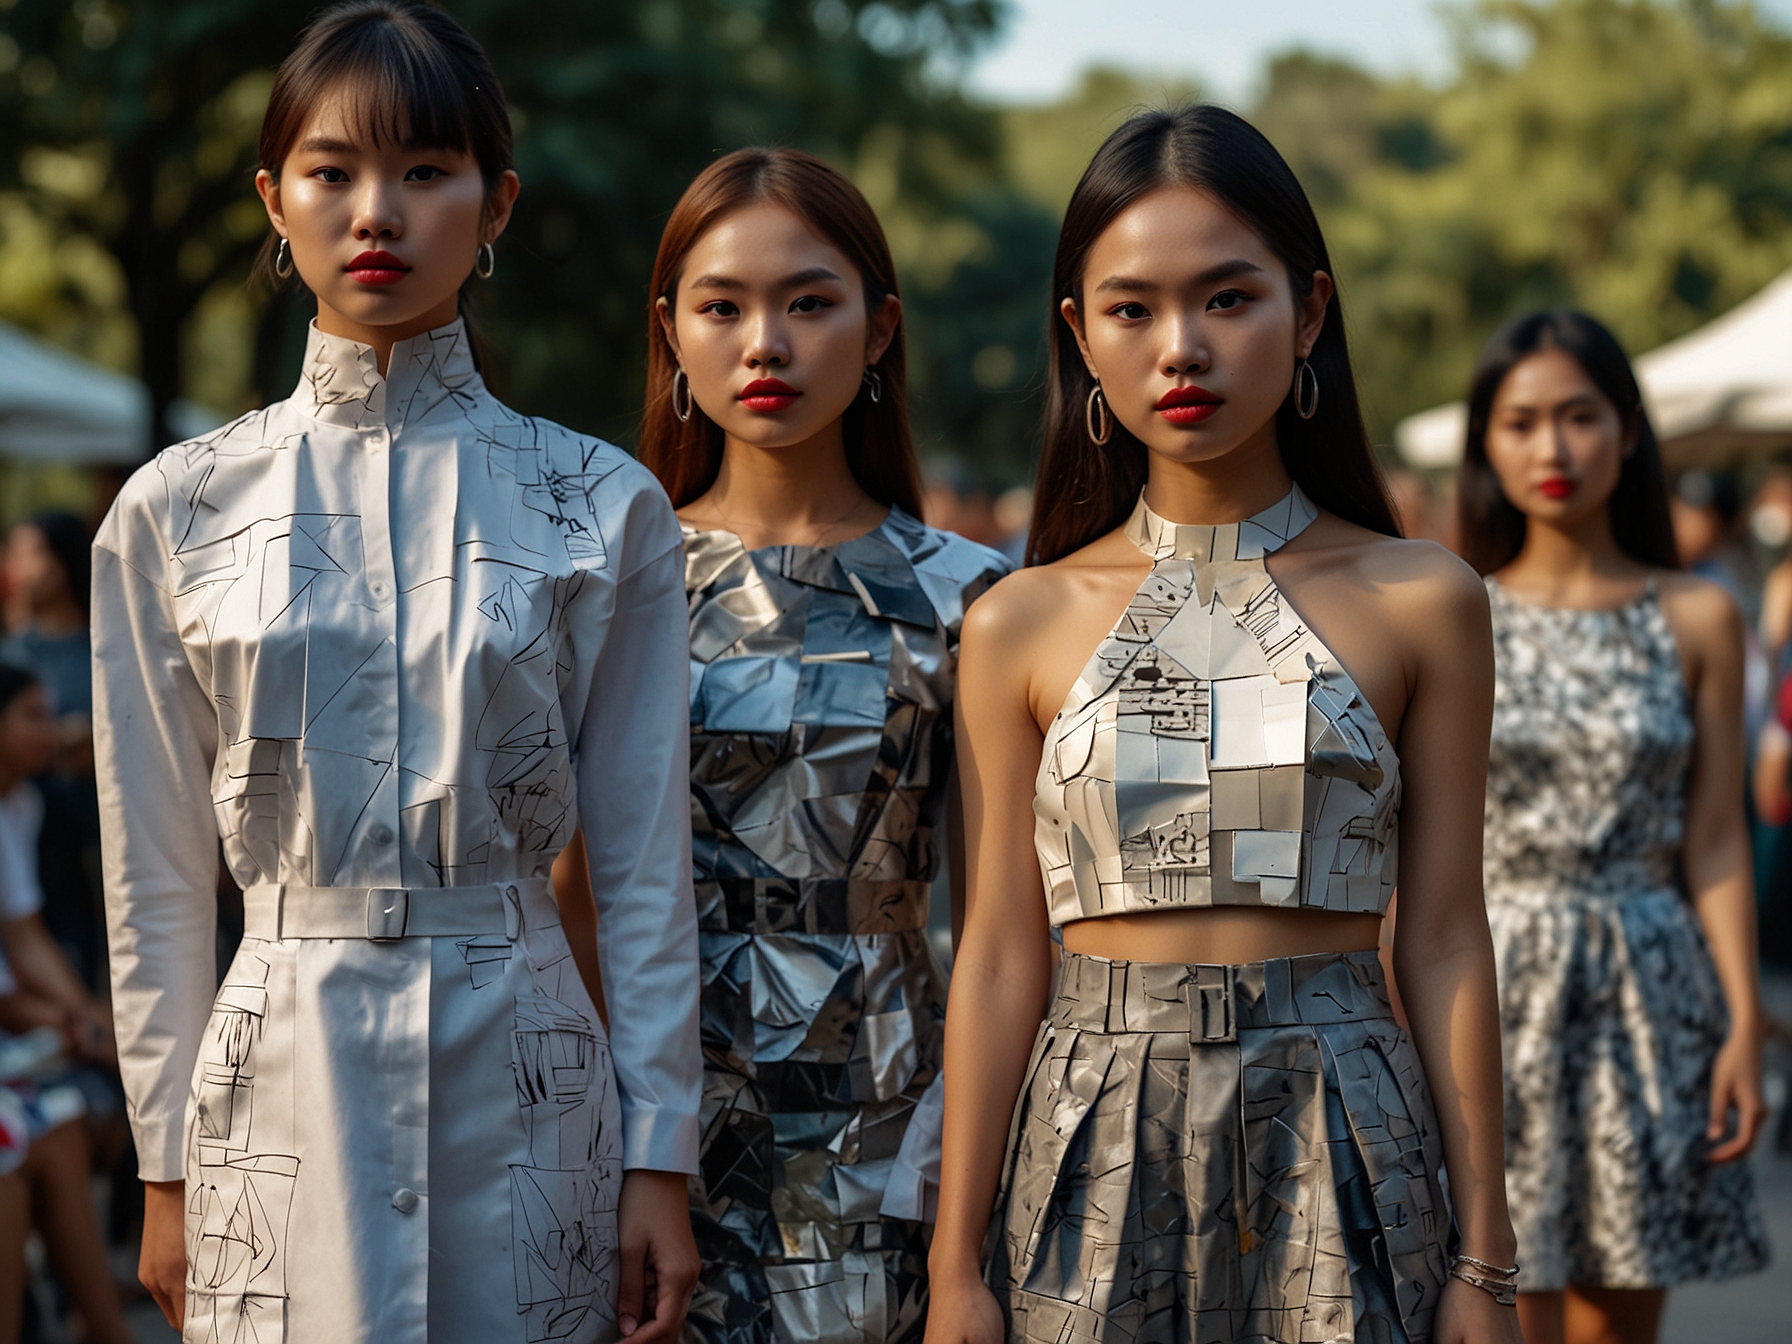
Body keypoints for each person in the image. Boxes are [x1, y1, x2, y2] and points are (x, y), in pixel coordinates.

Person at [91, 5, 701, 1341]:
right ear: (275, 198)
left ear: (497, 205)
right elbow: (152, 870)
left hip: (527, 1058)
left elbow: (648, 861)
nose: (380, 212)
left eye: (428, 171)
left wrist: (664, 1149)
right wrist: (164, 1166)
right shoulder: (174, 511)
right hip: (276, 1065)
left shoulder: (599, 505)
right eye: (333, 171)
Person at [926, 105, 1522, 1344]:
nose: (1180, 348)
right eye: (1132, 308)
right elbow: (993, 956)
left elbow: (1450, 940)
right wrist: (955, 1273)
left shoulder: (1423, 598)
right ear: (1078, 334)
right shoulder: (1014, 623)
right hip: (1086, 1137)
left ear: (1308, 314)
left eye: (1227, 299)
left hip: (1345, 1125)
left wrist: (1486, 1261)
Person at [635, 146, 1008, 1344]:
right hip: (649, 1116)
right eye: (723, 306)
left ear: (879, 327)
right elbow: (570, 897)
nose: (766, 343)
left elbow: (1009, 923)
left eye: (809, 302)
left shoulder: (973, 599)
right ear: (673, 333)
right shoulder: (608, 585)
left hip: (894, 1118)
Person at [1457, 309, 1771, 1344]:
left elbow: (1716, 837)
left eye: (1580, 416)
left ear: (1628, 432)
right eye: (1520, 422)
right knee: (1501, 1313)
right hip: (1491, 987)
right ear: (1485, 444)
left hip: (1651, 985)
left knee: (1617, 1325)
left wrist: (1738, 1016)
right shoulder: (1450, 613)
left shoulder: (1697, 615)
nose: (1552, 449)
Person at [0, 663, 129, 1344]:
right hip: (15, 1036)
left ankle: (102, 1323)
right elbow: (20, 969)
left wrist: (87, 1017)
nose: (52, 731)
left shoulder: (20, 805)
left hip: (18, 1035)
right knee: (45, 1146)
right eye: (32, 715)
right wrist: (73, 1020)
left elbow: (26, 940)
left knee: (60, 1133)